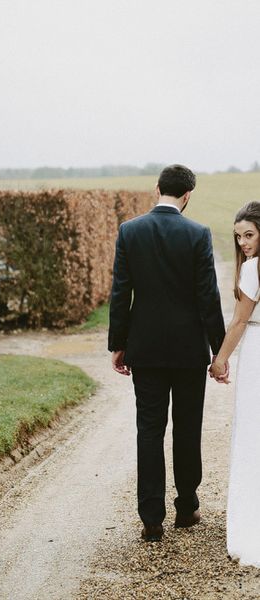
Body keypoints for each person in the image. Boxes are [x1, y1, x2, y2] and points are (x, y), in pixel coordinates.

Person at [108, 164, 226, 542]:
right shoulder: (198, 233)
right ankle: (187, 506)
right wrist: (220, 349)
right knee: (187, 427)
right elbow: (208, 296)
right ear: (188, 195)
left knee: (149, 429)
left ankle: (151, 517)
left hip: (145, 349)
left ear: (157, 188)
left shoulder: (130, 231)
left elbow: (120, 292)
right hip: (190, 351)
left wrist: (119, 344)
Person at [209, 201, 260, 566]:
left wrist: (220, 359)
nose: (243, 243)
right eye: (238, 236)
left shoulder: (254, 269)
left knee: (252, 435)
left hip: (257, 352)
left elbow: (240, 322)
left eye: (250, 234)